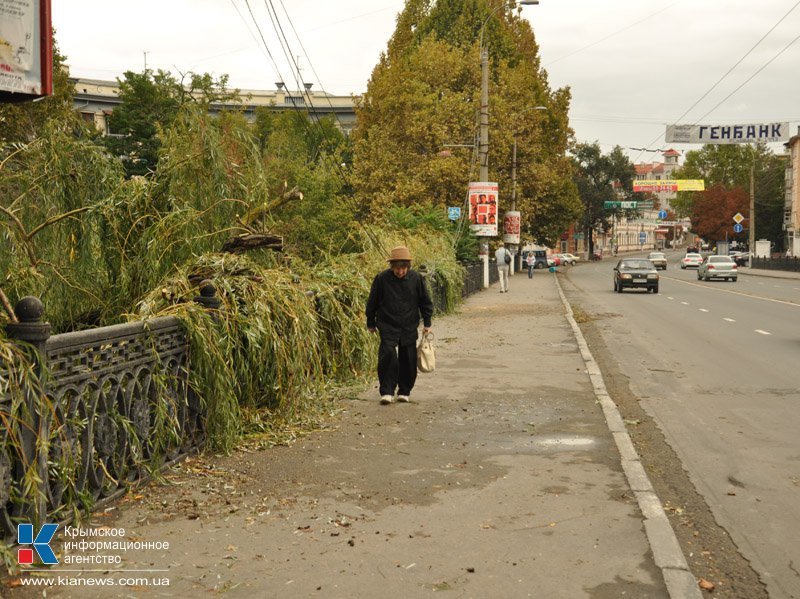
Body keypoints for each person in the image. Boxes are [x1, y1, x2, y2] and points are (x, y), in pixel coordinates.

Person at [366, 246, 433, 405]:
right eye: (397, 268)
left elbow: (425, 301)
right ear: (392, 266)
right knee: (388, 356)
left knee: (408, 358)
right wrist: (370, 322)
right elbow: (372, 301)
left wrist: (427, 322)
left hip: (409, 324)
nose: (400, 271)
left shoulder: (416, 278)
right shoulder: (382, 279)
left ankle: (404, 390)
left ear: (408, 267)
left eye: (403, 268)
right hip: (387, 323)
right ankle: (387, 391)